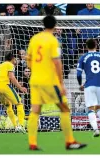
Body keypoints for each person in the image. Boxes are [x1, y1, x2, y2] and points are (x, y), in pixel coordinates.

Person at [26, 15, 87, 150]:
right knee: (64, 108)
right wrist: (60, 83)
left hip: (35, 80)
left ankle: (32, 143)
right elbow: (57, 62)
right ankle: (69, 141)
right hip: (49, 81)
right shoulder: (53, 40)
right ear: (54, 26)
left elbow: (28, 59)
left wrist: (36, 70)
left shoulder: (34, 39)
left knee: (35, 110)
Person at [76, 38, 100, 137]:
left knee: (90, 109)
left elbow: (78, 74)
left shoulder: (83, 57)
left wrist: (80, 84)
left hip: (89, 85)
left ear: (86, 46)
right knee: (99, 108)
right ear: (96, 46)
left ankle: (96, 129)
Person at [0, 53, 27, 133]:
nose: (16, 60)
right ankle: (21, 125)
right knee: (19, 103)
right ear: (12, 59)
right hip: (3, 85)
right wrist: (20, 88)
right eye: (15, 59)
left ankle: (15, 126)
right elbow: (12, 77)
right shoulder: (10, 64)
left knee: (8, 105)